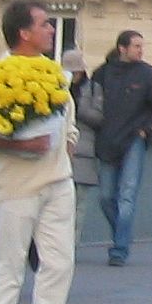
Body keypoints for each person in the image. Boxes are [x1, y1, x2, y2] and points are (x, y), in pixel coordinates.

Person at [0, 2, 83, 304]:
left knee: (60, 262)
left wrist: (67, 146)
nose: (51, 29)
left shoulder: (56, 75)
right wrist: (22, 144)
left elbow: (71, 124)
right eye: (45, 24)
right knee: (10, 261)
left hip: (58, 180)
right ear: (24, 32)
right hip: (16, 184)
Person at [94, 30, 152, 267]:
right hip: (107, 141)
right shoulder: (103, 73)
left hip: (134, 141)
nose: (141, 50)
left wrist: (146, 130)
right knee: (106, 197)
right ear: (122, 48)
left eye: (142, 46)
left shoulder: (148, 75)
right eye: (136, 46)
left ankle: (119, 249)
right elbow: (90, 103)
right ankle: (123, 232)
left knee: (127, 196)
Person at [64, 49, 104, 254]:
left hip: (85, 152)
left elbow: (99, 118)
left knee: (79, 204)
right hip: (60, 152)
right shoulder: (55, 88)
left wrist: (78, 108)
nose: (72, 76)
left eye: (75, 72)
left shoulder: (93, 89)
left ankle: (72, 246)